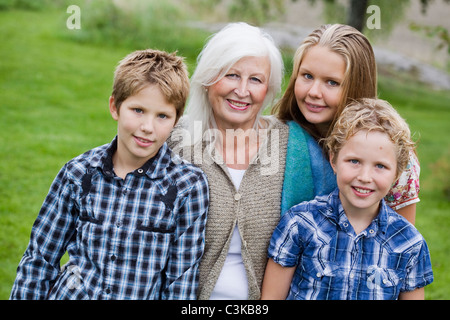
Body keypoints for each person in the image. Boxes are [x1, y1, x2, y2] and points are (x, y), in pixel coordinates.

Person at [10, 49, 209, 300]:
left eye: (162, 116)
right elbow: (39, 259)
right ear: (115, 107)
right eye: (137, 110)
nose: (147, 127)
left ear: (176, 120)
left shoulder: (187, 186)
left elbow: (181, 283)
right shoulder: (78, 173)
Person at [261, 98, 433, 300]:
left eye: (380, 166)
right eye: (354, 161)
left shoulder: (410, 244)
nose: (364, 177)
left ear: (397, 173)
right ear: (333, 159)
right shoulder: (300, 224)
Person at [169, 22, 287, 300]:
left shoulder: (290, 146)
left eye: (256, 80)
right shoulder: (174, 140)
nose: (243, 90)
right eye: (232, 75)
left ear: (268, 90)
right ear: (208, 78)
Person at [272, 24, 420, 224]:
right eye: (307, 76)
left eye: (332, 82)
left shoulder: (390, 149)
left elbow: (404, 240)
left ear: (356, 87)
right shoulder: (279, 137)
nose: (314, 92)